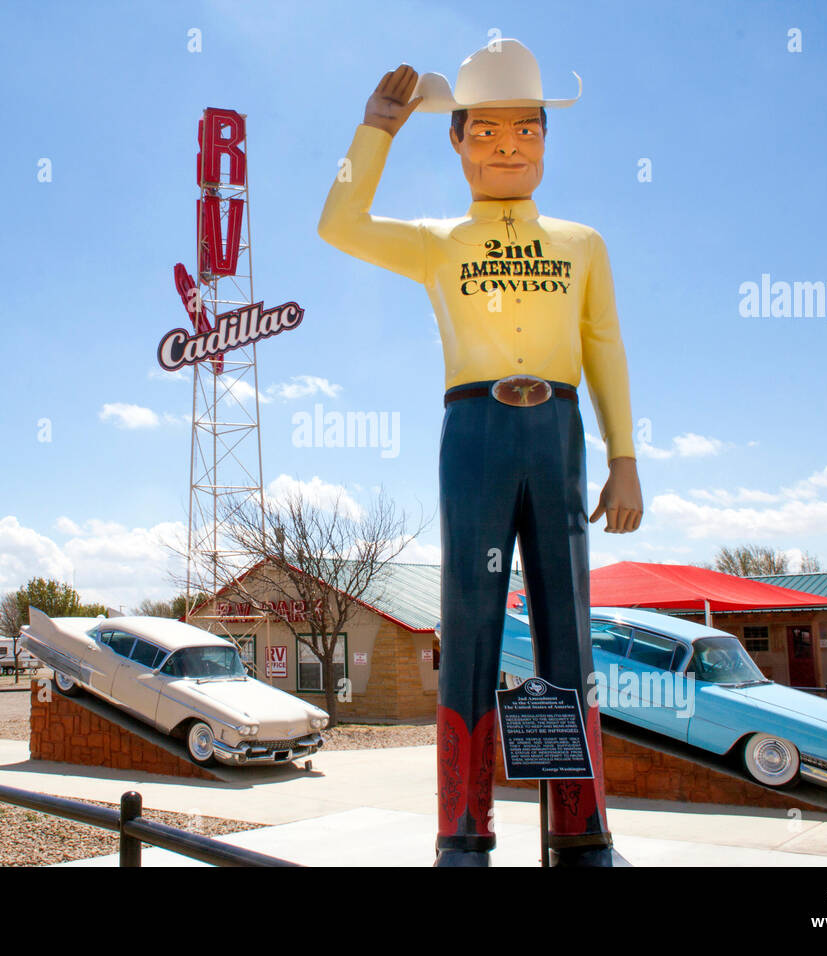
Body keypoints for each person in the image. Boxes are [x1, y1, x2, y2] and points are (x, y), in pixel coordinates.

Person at [318, 40, 644, 866]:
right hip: (474, 430)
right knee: (469, 620)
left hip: (558, 431)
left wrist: (626, 456)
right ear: (457, 139)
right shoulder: (437, 240)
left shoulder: (581, 242)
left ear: (546, 138)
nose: (508, 145)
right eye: (488, 129)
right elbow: (339, 225)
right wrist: (376, 133)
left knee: (568, 616)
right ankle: (462, 832)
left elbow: (604, 345)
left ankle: (583, 829)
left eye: (527, 129)